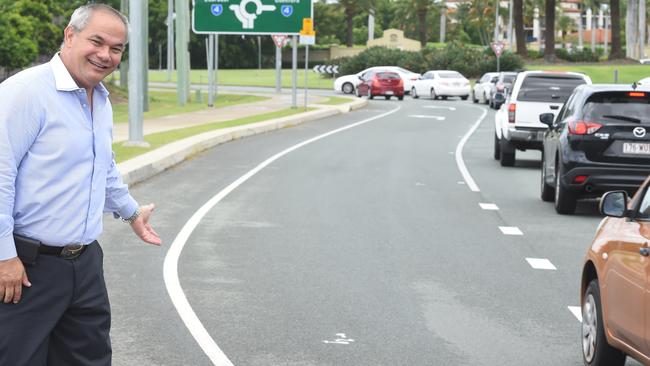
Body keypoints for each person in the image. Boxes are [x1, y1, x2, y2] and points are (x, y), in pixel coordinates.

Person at [0, 4, 162, 365]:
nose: (105, 55)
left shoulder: (99, 98)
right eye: (97, 41)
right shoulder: (25, 92)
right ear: (70, 35)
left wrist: (131, 212)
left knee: (89, 359)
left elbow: (102, 167)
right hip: (26, 270)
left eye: (116, 48)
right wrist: (4, 257)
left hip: (85, 264)